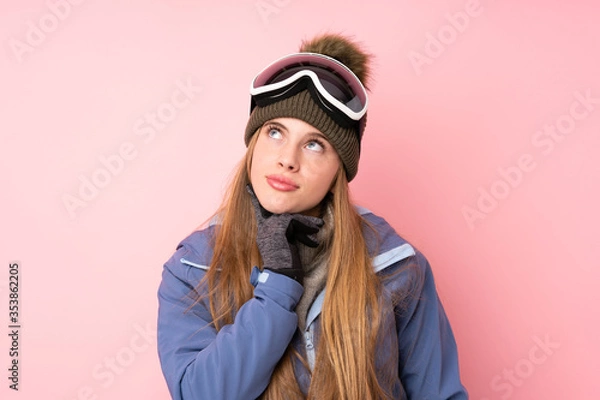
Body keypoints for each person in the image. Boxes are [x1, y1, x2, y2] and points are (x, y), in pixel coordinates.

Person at [157, 33, 469, 399]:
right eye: (275, 132)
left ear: (339, 168)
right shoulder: (194, 268)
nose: (288, 159)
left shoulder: (395, 266)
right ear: (254, 143)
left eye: (314, 144)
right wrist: (277, 287)